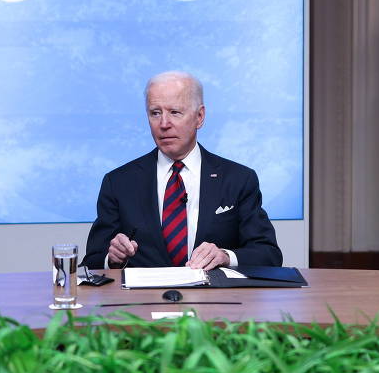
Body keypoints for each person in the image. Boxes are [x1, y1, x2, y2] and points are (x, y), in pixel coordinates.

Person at [81, 71, 282, 270]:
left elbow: (268, 254)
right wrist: (113, 258)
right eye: (155, 113)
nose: (164, 124)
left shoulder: (238, 179)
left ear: (199, 117)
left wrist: (225, 256)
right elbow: (92, 260)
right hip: (143, 301)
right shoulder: (118, 182)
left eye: (175, 112)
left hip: (214, 300)